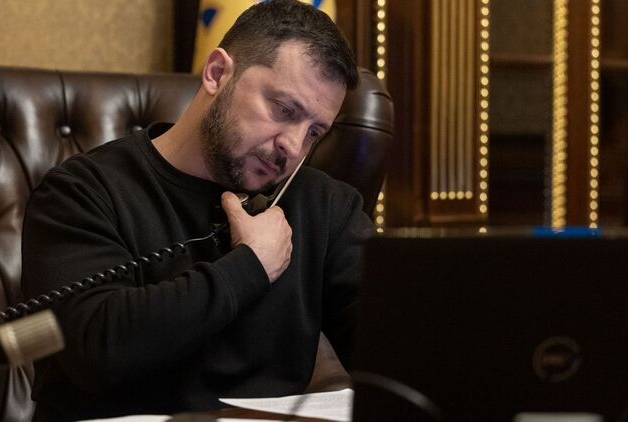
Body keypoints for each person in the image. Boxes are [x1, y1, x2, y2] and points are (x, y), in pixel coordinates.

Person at [20, 0, 371, 420]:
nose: (293, 147)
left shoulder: (326, 206)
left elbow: (399, 346)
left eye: (314, 132)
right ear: (217, 73)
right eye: (284, 109)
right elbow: (97, 349)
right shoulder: (80, 192)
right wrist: (252, 265)